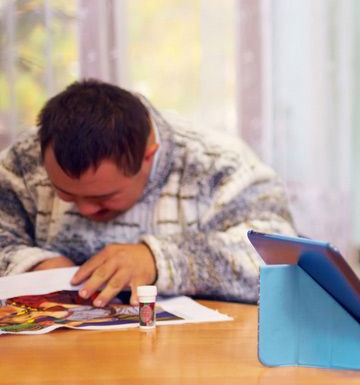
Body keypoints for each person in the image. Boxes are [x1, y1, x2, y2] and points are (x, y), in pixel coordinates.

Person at [0, 79, 297, 306]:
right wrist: (34, 265)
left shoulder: (217, 163)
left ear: (148, 155)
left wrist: (159, 260)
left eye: (103, 198)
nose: (85, 210)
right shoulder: (24, 160)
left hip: (193, 361)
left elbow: (282, 259)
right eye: (64, 192)